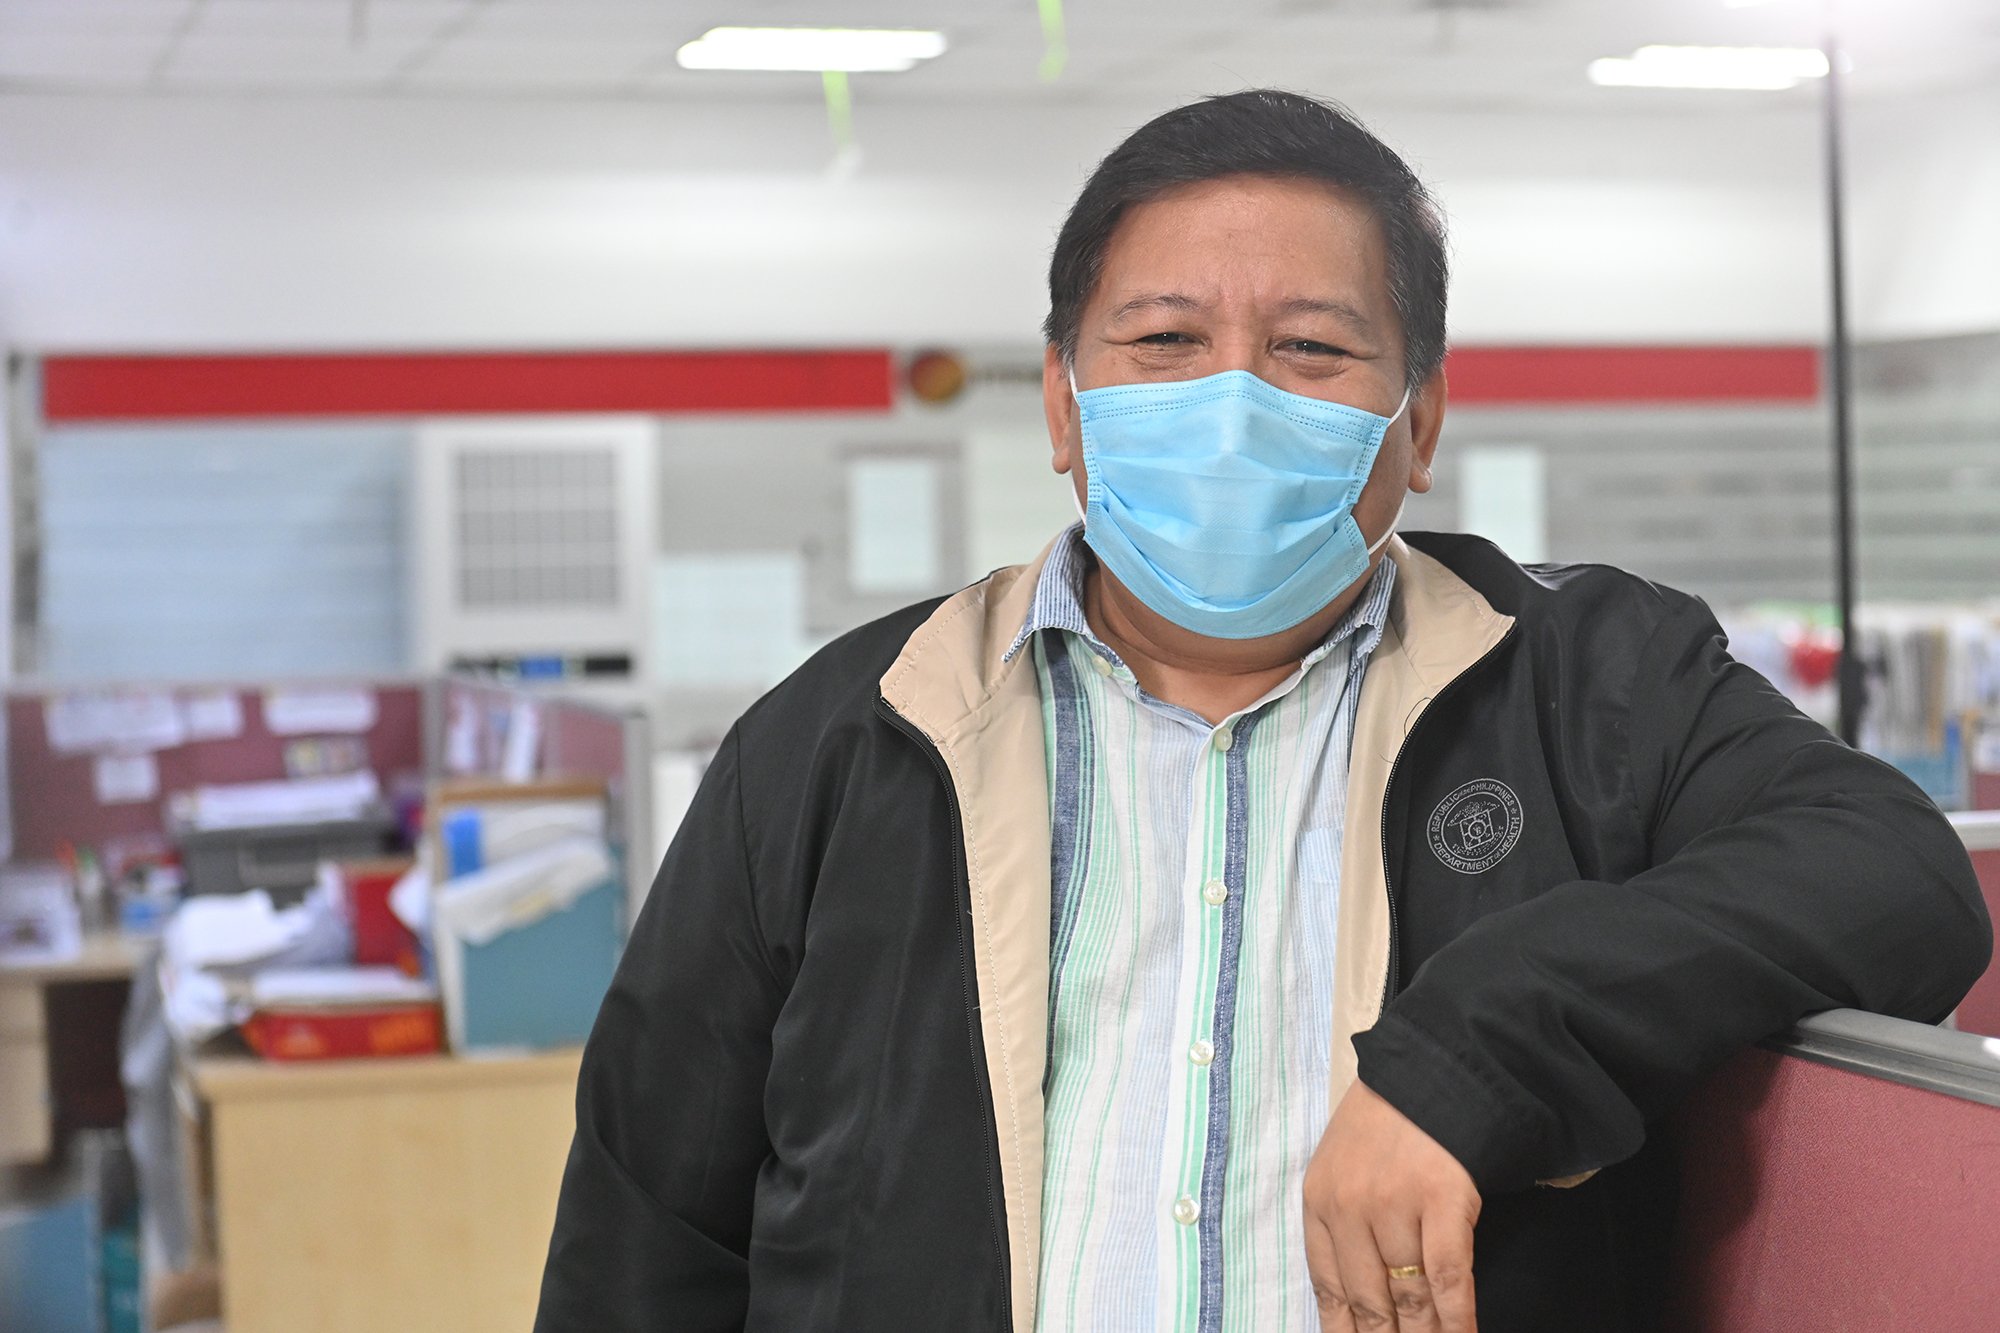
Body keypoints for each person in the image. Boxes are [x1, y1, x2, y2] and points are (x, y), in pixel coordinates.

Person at [534, 90, 1990, 1333]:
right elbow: (644, 1238)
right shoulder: (844, 738)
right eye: (1165, 340)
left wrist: (1486, 1049)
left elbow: (1892, 873)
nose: (1232, 405)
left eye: (1311, 349)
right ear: (1064, 405)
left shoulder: (1590, 682)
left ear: (1420, 421)